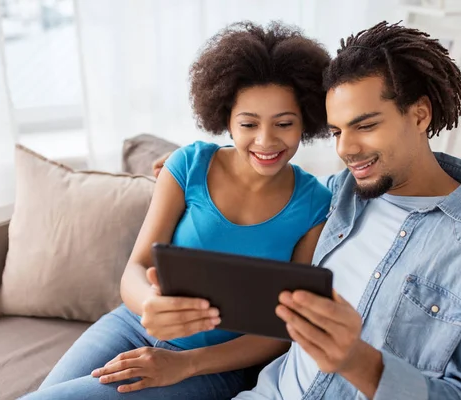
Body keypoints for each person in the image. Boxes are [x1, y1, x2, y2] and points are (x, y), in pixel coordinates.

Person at [22, 21, 332, 400]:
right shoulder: (188, 166)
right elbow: (135, 268)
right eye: (249, 123)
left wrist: (184, 364)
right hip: (131, 325)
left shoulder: (315, 204)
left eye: (284, 124)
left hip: (215, 365)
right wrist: (151, 305)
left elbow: (283, 330)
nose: (266, 141)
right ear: (227, 121)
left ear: (306, 122)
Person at [232, 21, 461, 400]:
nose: (346, 149)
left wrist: (359, 361)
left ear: (420, 115)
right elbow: (262, 180)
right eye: (337, 132)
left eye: (365, 126)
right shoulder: (339, 192)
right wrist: (198, 169)